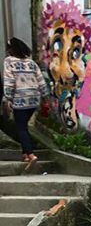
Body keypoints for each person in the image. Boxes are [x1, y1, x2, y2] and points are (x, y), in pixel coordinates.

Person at [2, 37, 48, 169]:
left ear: (11, 50)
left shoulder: (9, 61)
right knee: (24, 126)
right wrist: (45, 97)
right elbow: (41, 81)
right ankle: (25, 155)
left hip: (20, 99)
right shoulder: (31, 63)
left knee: (21, 128)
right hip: (34, 100)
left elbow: (9, 81)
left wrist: (7, 98)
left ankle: (31, 154)